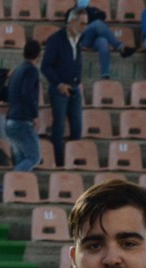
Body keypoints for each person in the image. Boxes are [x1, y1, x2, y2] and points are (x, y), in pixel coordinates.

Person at [42, 11, 87, 170]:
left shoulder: (78, 39)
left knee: (77, 126)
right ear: (72, 22)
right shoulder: (55, 40)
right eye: (82, 23)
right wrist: (59, 84)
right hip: (59, 89)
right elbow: (45, 66)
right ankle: (60, 162)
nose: (84, 27)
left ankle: (75, 160)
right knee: (59, 127)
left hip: (74, 88)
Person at [4, 41, 44, 173]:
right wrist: (35, 115)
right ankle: (9, 182)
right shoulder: (31, 71)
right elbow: (27, 94)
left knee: (21, 159)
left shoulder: (17, 71)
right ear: (39, 55)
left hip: (10, 119)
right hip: (22, 120)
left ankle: (15, 184)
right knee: (34, 157)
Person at [77, 1, 138, 79]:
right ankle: (121, 47)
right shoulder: (72, 11)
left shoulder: (92, 9)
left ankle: (105, 74)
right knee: (97, 23)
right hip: (82, 38)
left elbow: (103, 15)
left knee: (103, 41)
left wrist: (87, 11)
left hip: (95, 39)